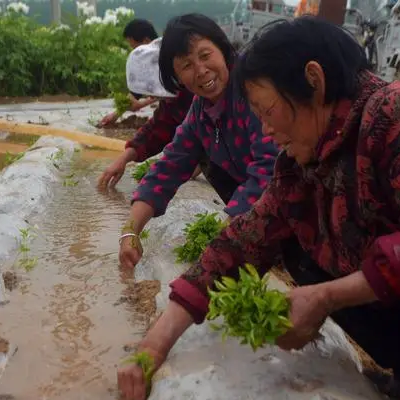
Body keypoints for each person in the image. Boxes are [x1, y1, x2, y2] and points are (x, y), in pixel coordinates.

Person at [117, 17, 400, 400]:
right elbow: (242, 242)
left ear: (313, 81)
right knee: (300, 246)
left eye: (268, 111)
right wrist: (154, 346)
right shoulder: (303, 160)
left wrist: (325, 298)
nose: (265, 128)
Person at [117, 13, 280, 269]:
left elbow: (270, 170)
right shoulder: (200, 111)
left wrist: (227, 232)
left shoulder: (253, 91)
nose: (201, 71)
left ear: (223, 50)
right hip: (261, 215)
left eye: (205, 56)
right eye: (186, 65)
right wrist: (131, 230)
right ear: (177, 77)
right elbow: (168, 168)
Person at [97, 37, 198, 189]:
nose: (154, 98)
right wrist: (123, 159)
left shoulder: (198, 92)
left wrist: (199, 162)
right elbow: (157, 129)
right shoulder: (172, 101)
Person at [97, 19, 160, 127]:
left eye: (135, 48)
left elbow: (172, 91)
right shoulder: (147, 61)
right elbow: (136, 93)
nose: (134, 52)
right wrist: (115, 114)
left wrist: (141, 104)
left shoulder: (167, 56)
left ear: (146, 41)